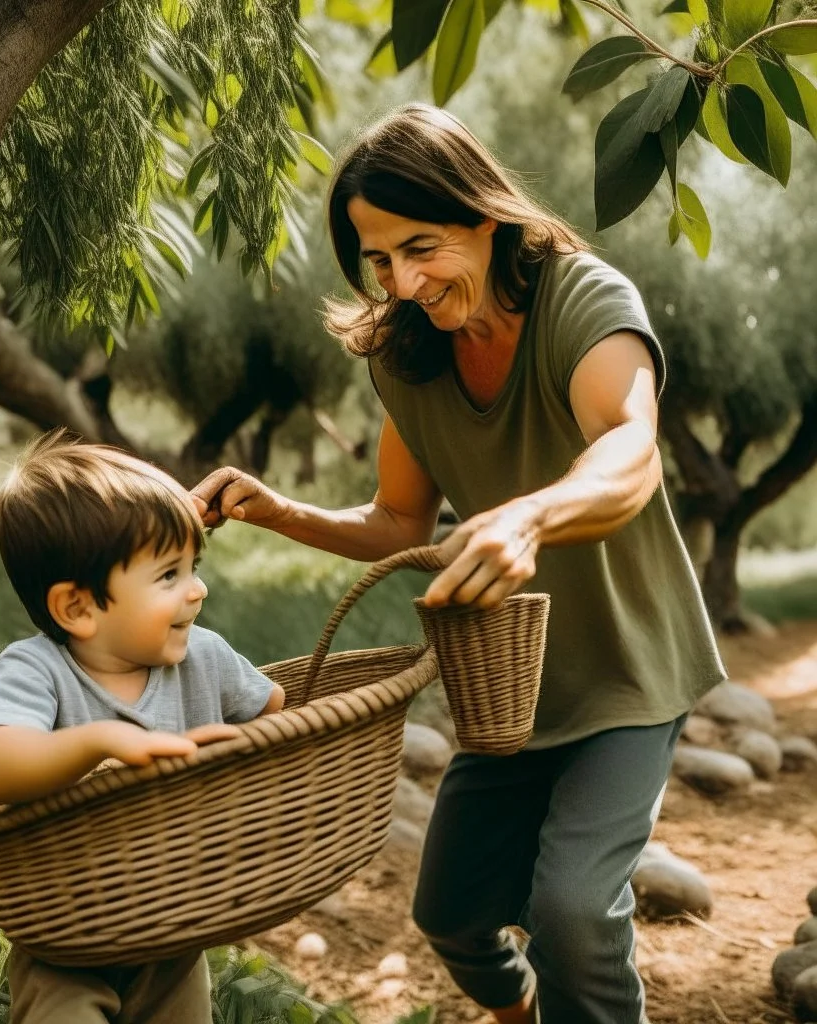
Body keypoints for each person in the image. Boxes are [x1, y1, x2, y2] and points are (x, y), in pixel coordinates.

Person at [191, 103, 725, 1024]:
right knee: (451, 915)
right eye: (379, 260)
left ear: (485, 216)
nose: (403, 281)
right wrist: (280, 513)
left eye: (422, 247)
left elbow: (629, 448)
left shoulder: (583, 302)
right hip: (505, 690)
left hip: (630, 672)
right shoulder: (407, 356)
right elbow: (400, 518)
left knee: (573, 915)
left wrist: (526, 519)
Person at [0, 429, 285, 1024]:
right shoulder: (37, 672)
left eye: (195, 566)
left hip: (175, 939)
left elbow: (276, 715)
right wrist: (103, 742)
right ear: (78, 608)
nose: (197, 589)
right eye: (169, 575)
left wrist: (237, 760)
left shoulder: (205, 658)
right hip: (63, 945)